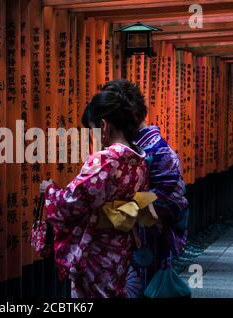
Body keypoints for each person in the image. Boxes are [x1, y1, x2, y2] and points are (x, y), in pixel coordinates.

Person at [39, 90, 150, 298]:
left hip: (96, 249)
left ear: (104, 125)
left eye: (93, 130)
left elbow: (73, 202)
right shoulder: (139, 160)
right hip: (120, 245)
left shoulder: (106, 159)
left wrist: (50, 191)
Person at [102, 79, 189, 287]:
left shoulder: (148, 151)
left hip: (145, 239)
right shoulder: (147, 148)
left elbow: (170, 200)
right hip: (138, 237)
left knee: (138, 287)